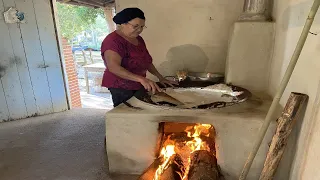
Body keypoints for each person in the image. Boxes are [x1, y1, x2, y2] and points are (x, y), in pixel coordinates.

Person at [101, 7, 178, 107]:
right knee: (128, 114)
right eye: (135, 26)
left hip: (137, 83)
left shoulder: (138, 39)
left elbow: (146, 61)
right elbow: (113, 67)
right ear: (123, 23)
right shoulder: (113, 41)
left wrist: (160, 77)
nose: (139, 30)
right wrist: (141, 79)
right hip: (120, 86)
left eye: (142, 26)